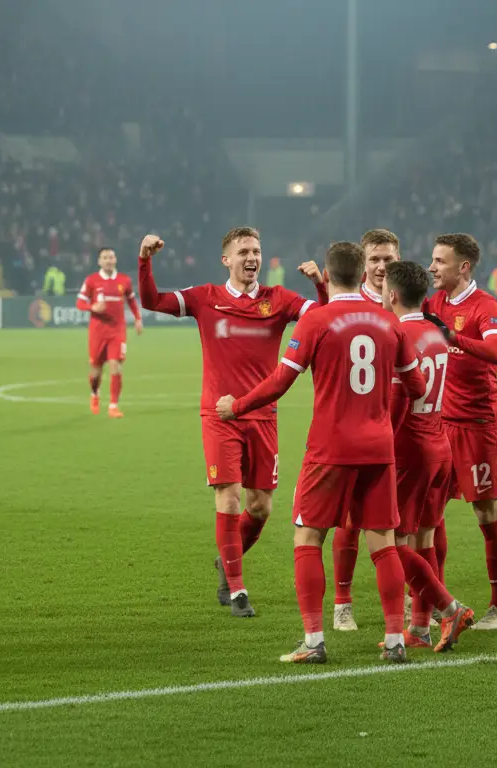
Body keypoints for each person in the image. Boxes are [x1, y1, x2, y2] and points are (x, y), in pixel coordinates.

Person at [215, 241, 426, 663]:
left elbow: (279, 381)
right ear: (363, 275)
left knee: (308, 537)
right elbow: (417, 387)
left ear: (327, 279)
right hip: (379, 448)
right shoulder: (390, 324)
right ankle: (395, 640)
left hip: (330, 447)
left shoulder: (317, 322)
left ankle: (313, 642)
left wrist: (235, 407)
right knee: (383, 542)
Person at [137, 228, 326, 618]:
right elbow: (151, 300)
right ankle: (237, 590)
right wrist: (144, 260)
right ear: (227, 260)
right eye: (243, 251)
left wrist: (320, 285)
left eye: (256, 250)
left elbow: (323, 319)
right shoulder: (206, 298)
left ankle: (227, 559)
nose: (251, 257)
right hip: (220, 413)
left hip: (262, 414)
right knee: (229, 497)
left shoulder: (279, 300)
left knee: (260, 508)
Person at [383, 260, 476, 651]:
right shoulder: (438, 333)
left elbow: (398, 399)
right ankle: (420, 628)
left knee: (391, 540)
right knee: (424, 537)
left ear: (391, 294)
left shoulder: (397, 335)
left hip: (410, 450)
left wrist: (380, 439)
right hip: (441, 445)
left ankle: (449, 609)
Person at [424, 233, 497, 630]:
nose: (431, 267)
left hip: (479, 427)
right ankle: (435, 601)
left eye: (439, 261)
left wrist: (454, 338)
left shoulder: (485, 306)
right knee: (429, 512)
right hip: (440, 426)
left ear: (463, 267)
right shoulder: (434, 303)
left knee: (486, 511)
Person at [333, 228, 404, 630]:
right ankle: (343, 601)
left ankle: (413, 603)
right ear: (362, 262)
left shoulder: (407, 303)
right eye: (375, 259)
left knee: (406, 524)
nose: (381, 267)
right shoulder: (346, 302)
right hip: (355, 429)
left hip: (400, 431)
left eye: (388, 260)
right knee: (349, 521)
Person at [75, 247, 143, 418]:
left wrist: (137, 318)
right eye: (104, 257)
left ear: (115, 259)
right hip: (97, 331)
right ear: (99, 261)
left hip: (117, 330)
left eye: (111, 257)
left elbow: (132, 301)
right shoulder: (91, 280)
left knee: (115, 366)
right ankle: (94, 394)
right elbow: (80, 303)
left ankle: (113, 406)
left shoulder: (124, 280)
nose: (108, 260)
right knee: (96, 371)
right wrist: (93, 307)